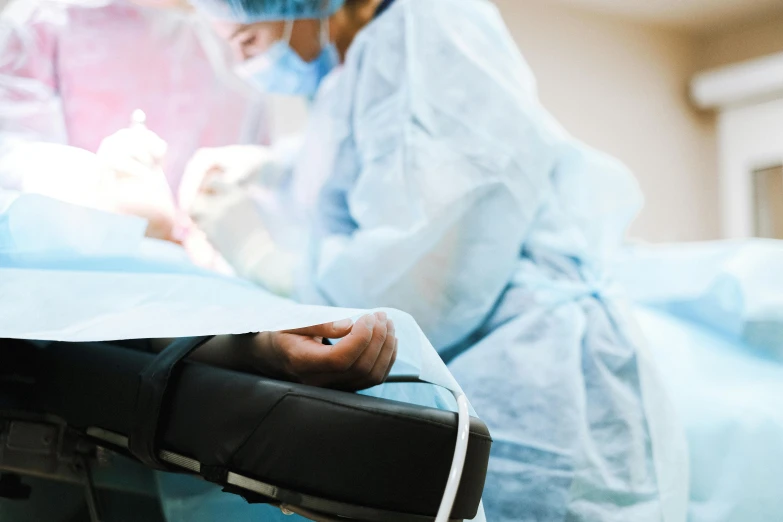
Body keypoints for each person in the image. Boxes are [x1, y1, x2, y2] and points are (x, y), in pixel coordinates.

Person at [187, 0, 689, 521]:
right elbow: (370, 173)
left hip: (537, 380)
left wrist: (260, 257)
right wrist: (274, 170)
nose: (252, 65)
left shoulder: (427, 30)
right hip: (480, 372)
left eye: (248, 43)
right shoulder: (355, 63)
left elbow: (429, 273)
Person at [0, 0, 270, 245]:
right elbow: (10, 155)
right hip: (78, 261)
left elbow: (262, 178)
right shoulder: (42, 21)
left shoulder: (237, 32)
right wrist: (95, 182)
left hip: (205, 277)